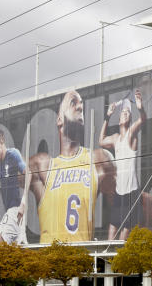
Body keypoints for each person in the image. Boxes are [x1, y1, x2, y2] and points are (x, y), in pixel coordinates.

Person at [29, 89, 112, 243]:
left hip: (81, 259)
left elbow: (122, 206)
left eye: (82, 105)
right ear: (59, 119)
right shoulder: (44, 165)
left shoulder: (98, 159)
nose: (80, 107)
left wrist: (108, 249)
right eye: (73, 103)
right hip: (47, 260)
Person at [99, 89, 146, 240]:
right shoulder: (115, 138)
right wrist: (107, 116)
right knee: (112, 229)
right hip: (119, 192)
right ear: (119, 120)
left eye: (128, 112)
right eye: (123, 112)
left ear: (130, 119)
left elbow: (142, 119)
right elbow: (100, 141)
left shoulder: (131, 133)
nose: (125, 113)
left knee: (124, 232)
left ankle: (119, 260)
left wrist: (140, 108)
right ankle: (107, 261)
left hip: (132, 193)